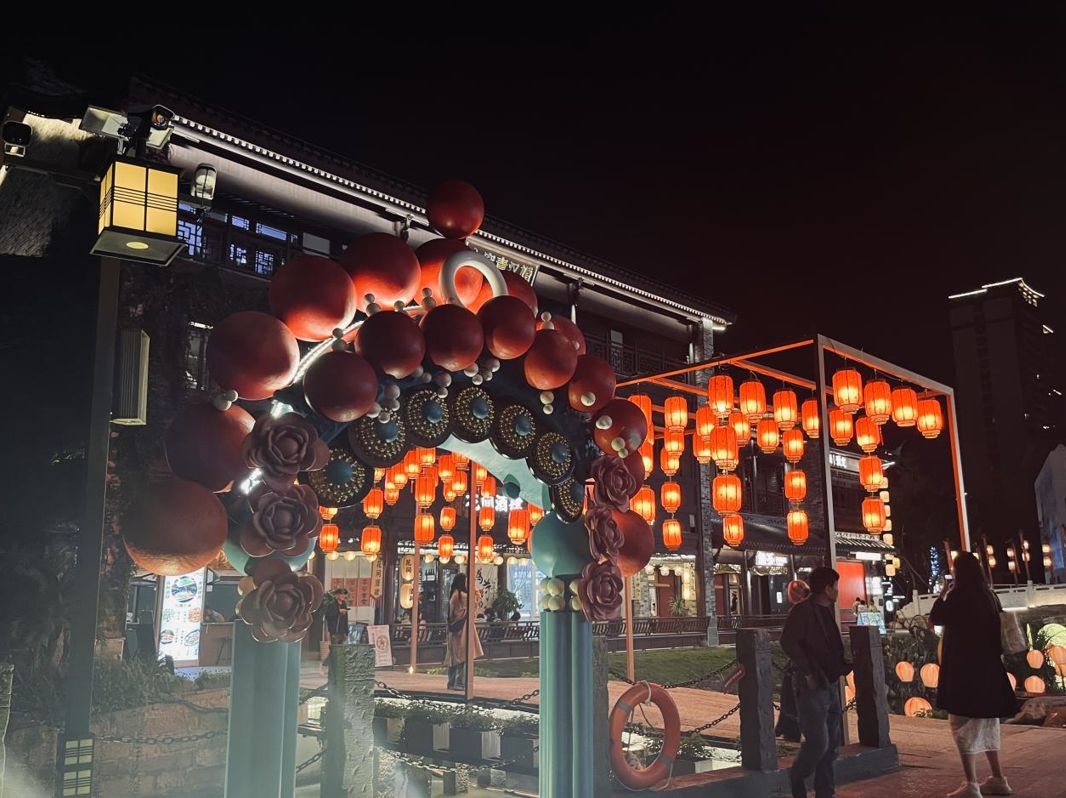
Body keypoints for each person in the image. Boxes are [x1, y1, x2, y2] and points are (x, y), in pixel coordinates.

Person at [929, 551, 1016, 798]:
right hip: (989, 670)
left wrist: (943, 592)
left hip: (964, 672)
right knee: (988, 723)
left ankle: (971, 783)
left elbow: (935, 618)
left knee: (961, 724)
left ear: (959, 572)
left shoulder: (958, 596)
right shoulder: (990, 596)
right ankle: (998, 778)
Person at [780, 567, 852, 798]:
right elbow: (788, 641)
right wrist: (808, 672)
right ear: (828, 588)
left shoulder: (824, 611)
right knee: (818, 742)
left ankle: (825, 792)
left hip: (829, 684)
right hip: (812, 687)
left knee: (831, 746)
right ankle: (797, 777)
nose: (838, 591)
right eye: (836, 586)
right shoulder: (803, 611)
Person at [775, 579, 811, 743]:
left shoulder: (798, 610)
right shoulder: (813, 608)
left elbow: (787, 640)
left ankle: (790, 729)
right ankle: (788, 727)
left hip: (801, 662)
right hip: (807, 659)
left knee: (791, 697)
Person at [443, 573, 483, 691]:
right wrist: (475, 589)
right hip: (463, 628)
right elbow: (476, 600)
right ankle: (459, 683)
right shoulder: (463, 596)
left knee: (454, 656)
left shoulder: (454, 595)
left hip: (455, 628)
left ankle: (451, 682)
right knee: (463, 656)